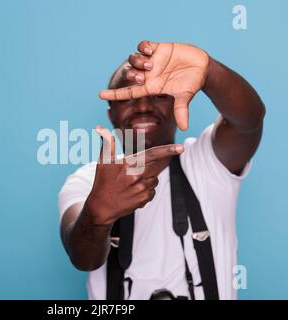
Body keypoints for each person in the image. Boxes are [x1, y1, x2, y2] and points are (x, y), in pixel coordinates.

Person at [58, 41, 265, 300]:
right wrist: (96, 215)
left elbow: (248, 121)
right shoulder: (87, 180)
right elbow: (83, 258)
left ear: (179, 101)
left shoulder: (207, 162)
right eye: (130, 97)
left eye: (158, 95)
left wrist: (210, 72)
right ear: (111, 114)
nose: (143, 107)